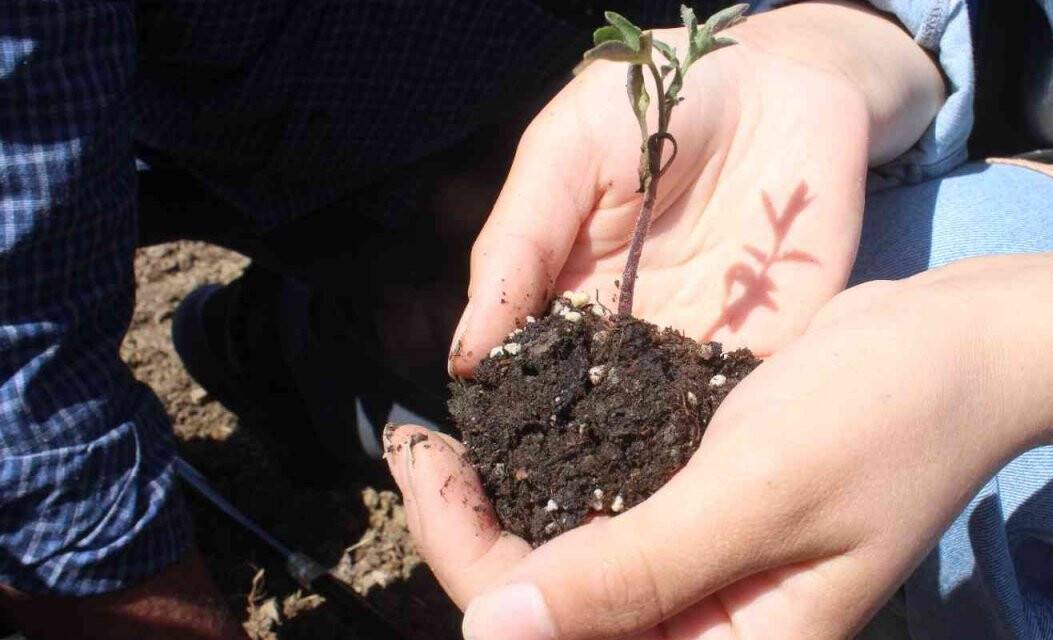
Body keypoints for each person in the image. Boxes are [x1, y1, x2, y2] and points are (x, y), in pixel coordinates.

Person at [386, 0, 1053, 638]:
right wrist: (830, 53)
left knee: (979, 479)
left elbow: (975, 358)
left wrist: (1009, 357)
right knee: (860, 284)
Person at [0, 1, 758, 637]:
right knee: (485, 320)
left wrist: (846, 37)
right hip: (270, 125)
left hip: (513, 93)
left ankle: (299, 342)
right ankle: (290, 344)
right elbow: (30, 398)